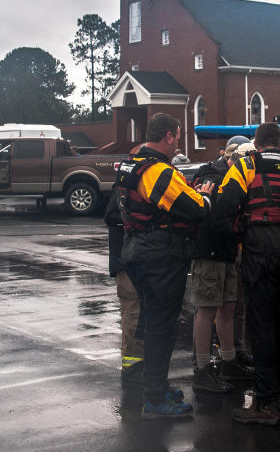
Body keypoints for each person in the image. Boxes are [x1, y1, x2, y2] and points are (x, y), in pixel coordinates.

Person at [211, 122, 280, 426]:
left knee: (260, 323)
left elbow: (223, 207)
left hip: (258, 246)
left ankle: (265, 402)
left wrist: (240, 232)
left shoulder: (245, 166)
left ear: (257, 143)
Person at [117, 113, 215, 419]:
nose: (178, 142)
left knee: (150, 321)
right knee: (162, 326)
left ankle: (154, 386)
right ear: (169, 136)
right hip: (160, 255)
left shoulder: (128, 165)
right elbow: (196, 209)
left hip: (134, 250)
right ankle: (155, 400)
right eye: (178, 136)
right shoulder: (160, 172)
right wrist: (205, 196)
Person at [188, 143, 253, 393]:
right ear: (235, 161)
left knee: (228, 306)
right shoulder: (212, 178)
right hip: (209, 252)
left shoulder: (231, 176)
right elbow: (214, 218)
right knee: (206, 309)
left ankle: (229, 362)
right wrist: (242, 230)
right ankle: (202, 370)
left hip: (226, 251)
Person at [103, 157, 144, 388]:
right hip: (126, 262)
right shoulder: (123, 189)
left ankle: (136, 362)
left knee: (135, 312)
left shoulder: (125, 187)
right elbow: (111, 217)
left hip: (130, 260)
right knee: (133, 312)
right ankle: (131, 366)